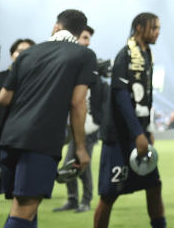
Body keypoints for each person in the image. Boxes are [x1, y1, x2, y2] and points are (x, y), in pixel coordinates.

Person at [0, 9, 98, 228]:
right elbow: (78, 103)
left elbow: (4, 98)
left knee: (24, 206)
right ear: (80, 31)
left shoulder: (29, 53)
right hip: (40, 139)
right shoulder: (83, 55)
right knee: (24, 209)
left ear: (56, 27)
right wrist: (80, 148)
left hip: (10, 137)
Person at [94, 13, 165, 228]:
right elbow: (121, 97)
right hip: (119, 137)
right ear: (139, 28)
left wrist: (148, 128)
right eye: (154, 28)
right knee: (109, 193)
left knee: (154, 186)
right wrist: (138, 134)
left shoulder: (146, 55)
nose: (157, 32)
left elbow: (147, 97)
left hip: (140, 134)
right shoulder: (124, 55)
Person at [53, 25, 100, 213]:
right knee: (72, 164)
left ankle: (85, 201)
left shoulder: (91, 66)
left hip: (87, 126)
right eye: (84, 37)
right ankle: (73, 199)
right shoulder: (75, 64)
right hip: (75, 125)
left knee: (81, 165)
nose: (87, 42)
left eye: (88, 38)